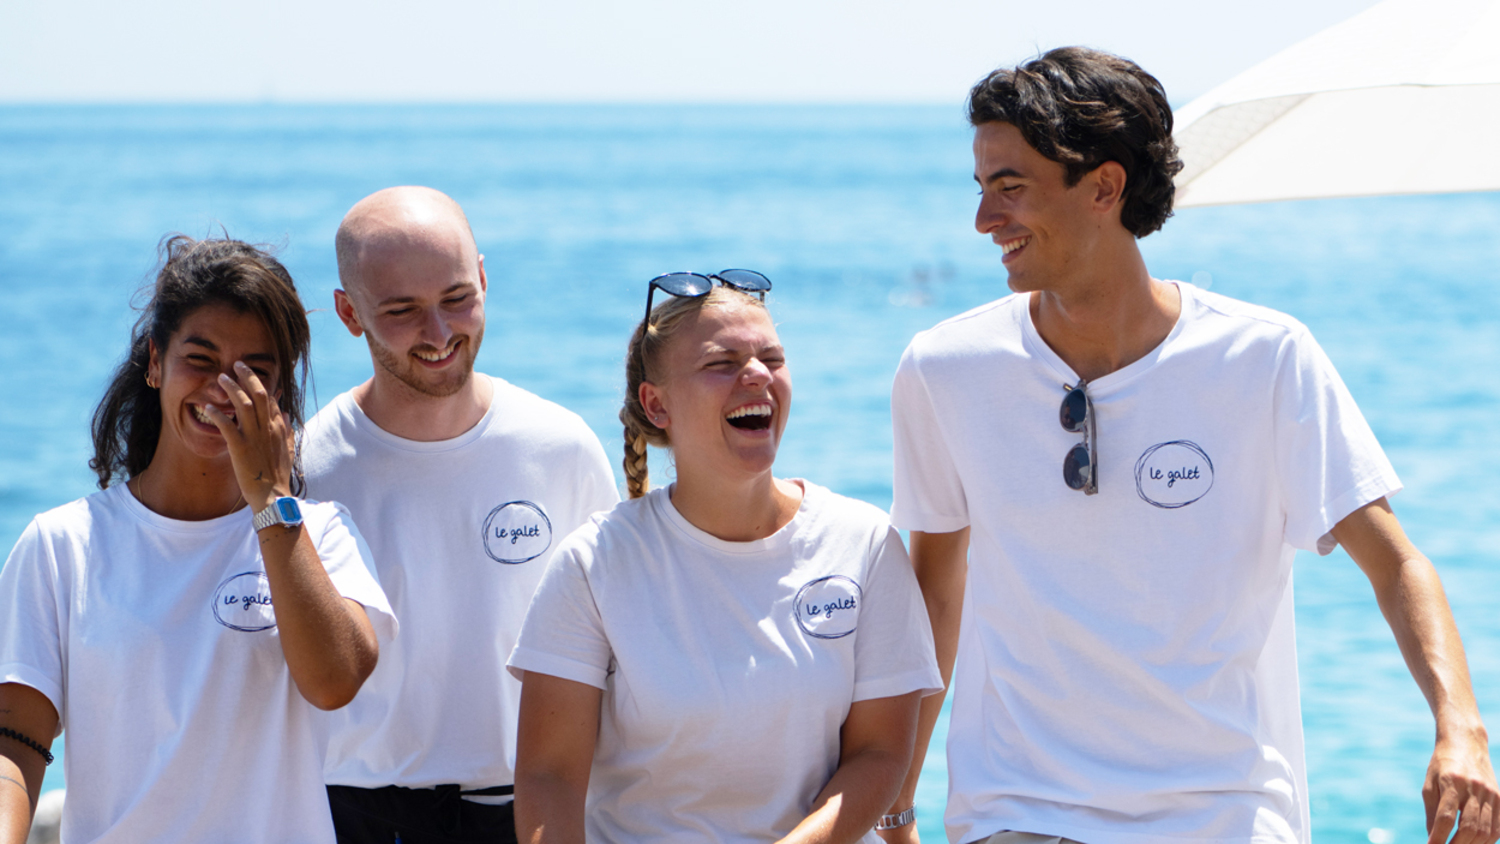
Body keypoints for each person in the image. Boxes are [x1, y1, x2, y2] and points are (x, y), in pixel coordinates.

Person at [885, 47, 1500, 844]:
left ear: (1104, 187)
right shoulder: (944, 370)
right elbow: (935, 599)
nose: (983, 220)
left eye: (1011, 188)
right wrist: (897, 806)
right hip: (1020, 814)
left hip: (1226, 817)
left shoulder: (1266, 358)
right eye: (982, 189)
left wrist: (1462, 729)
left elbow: (1396, 564)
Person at [507, 272, 944, 843]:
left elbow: (880, 755)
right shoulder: (593, 563)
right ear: (656, 404)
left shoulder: (863, 542)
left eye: (772, 357)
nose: (758, 375)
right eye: (723, 362)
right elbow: (549, 778)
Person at [0, 235, 395, 844]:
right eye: (201, 360)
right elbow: (17, 741)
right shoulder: (62, 544)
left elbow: (335, 681)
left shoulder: (320, 534)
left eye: (253, 373)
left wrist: (268, 498)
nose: (222, 389)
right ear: (155, 362)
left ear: (280, 392)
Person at [305, 186, 619, 844]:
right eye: (402, 311)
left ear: (483, 275)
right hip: (349, 809)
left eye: (457, 298)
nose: (440, 333)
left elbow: (617, 658)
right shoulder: (306, 466)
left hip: (531, 806)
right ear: (348, 312)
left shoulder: (560, 448)